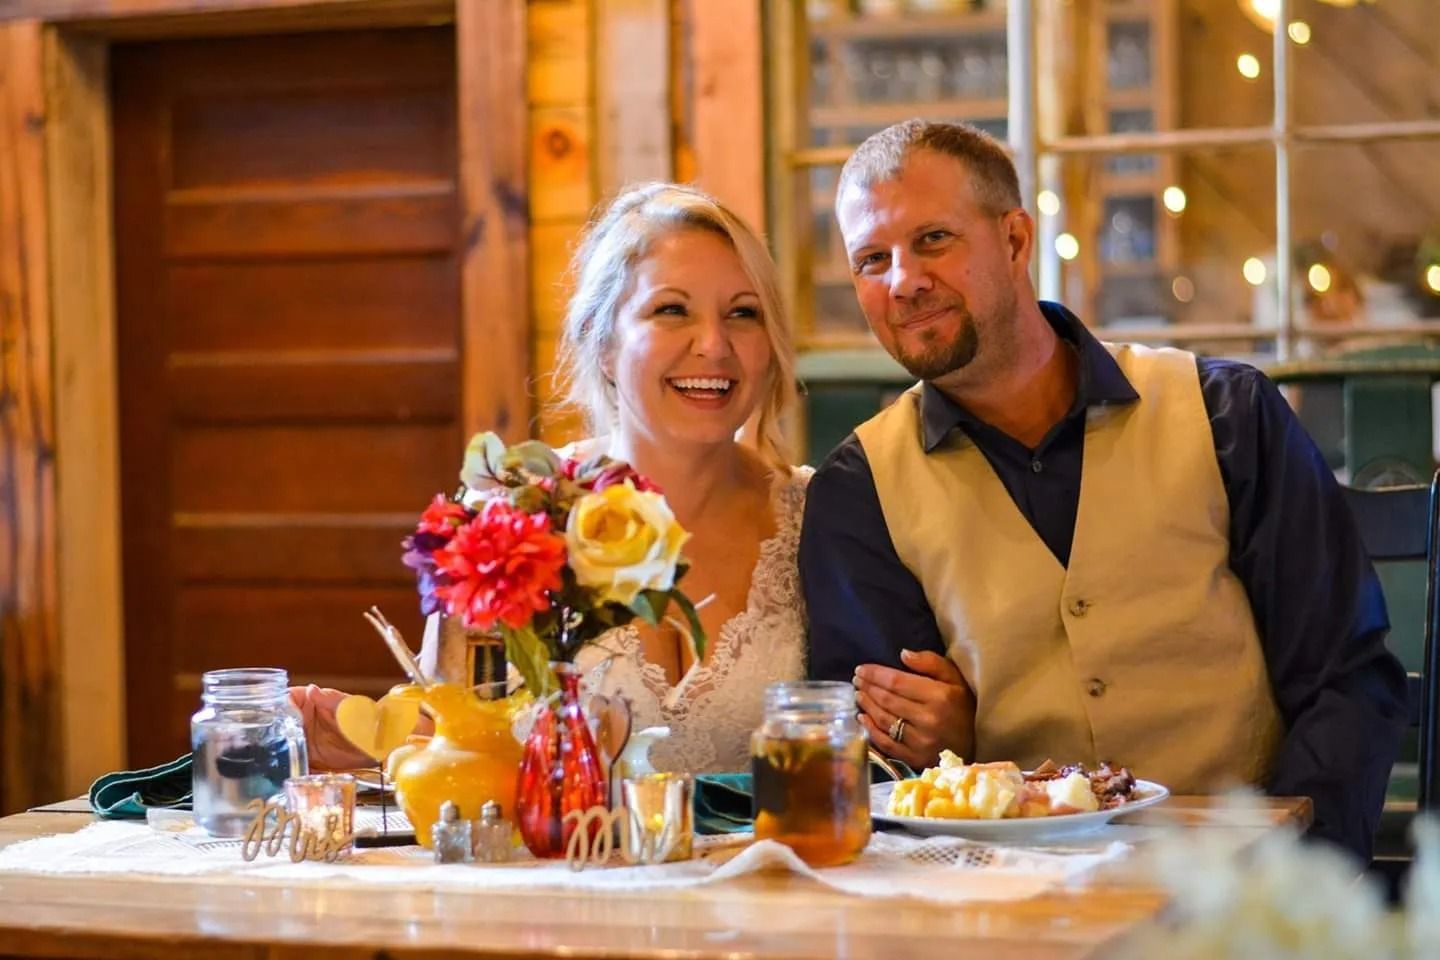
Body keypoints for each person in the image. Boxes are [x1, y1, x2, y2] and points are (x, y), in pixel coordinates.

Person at [800, 119, 1407, 860]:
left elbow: (1344, 679)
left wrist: (1284, 887)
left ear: (1016, 241)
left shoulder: (1228, 416)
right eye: (871, 259)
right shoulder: (858, 490)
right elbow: (879, 757)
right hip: (1004, 906)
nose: (903, 281)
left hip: (1243, 893)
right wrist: (931, 749)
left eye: (933, 240)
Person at [298, 182, 810, 774]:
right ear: (603, 346)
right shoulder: (504, 514)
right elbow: (448, 736)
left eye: (743, 314)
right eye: (672, 310)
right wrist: (360, 741)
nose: (715, 345)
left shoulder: (814, 516)